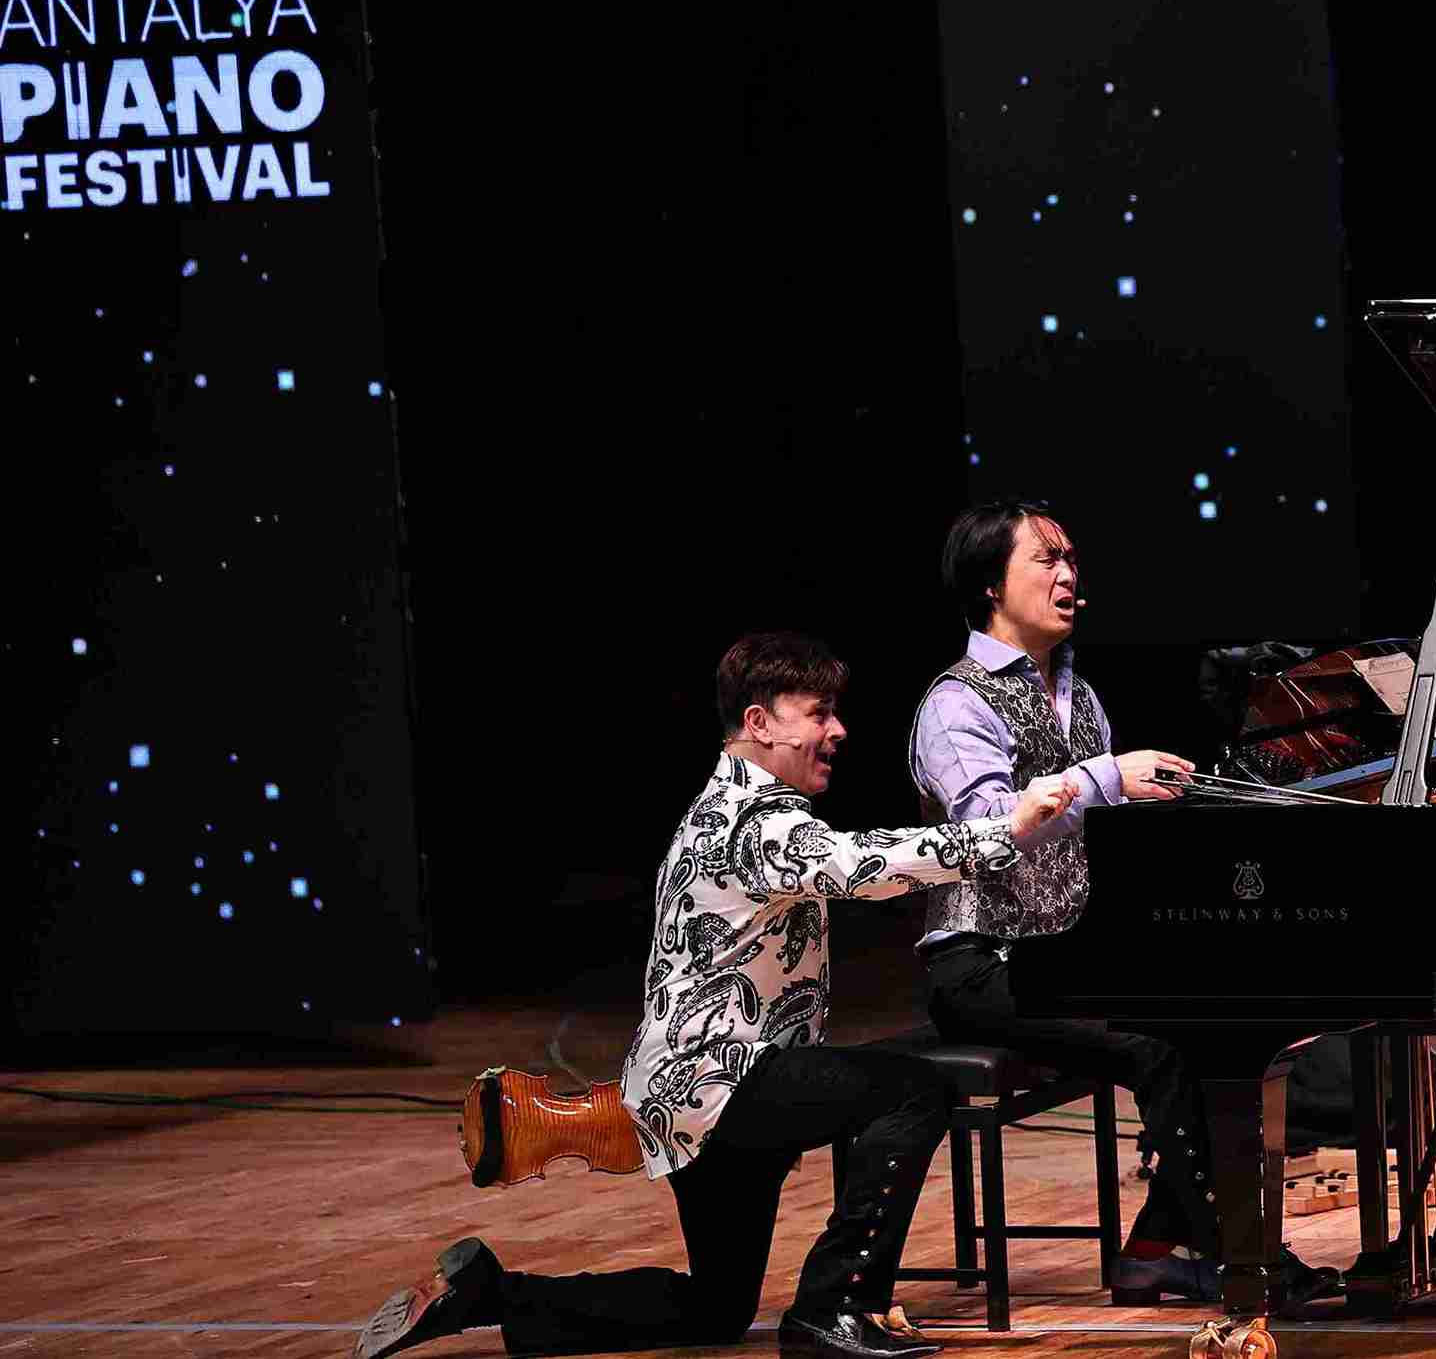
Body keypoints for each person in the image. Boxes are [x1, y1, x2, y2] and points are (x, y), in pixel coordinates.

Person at [357, 632, 1074, 1359]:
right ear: (760, 722)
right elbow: (862, 865)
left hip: (692, 1091)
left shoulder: (725, 807)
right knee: (913, 1090)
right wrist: (1006, 829)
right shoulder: (752, 823)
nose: (838, 730)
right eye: (818, 713)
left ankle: (488, 1294)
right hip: (724, 1081)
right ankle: (836, 1308)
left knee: (715, 1307)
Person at [909, 500, 1337, 1310]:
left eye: (1072, 558)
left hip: (1070, 949)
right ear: (990, 583)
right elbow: (986, 830)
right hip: (983, 962)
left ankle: (1153, 1249)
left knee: (1220, 1014)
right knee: (1159, 1041)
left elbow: (1103, 839)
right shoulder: (956, 703)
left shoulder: (1081, 696)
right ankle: (1240, 1257)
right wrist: (1109, 778)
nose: (1068, 575)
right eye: (1046, 559)